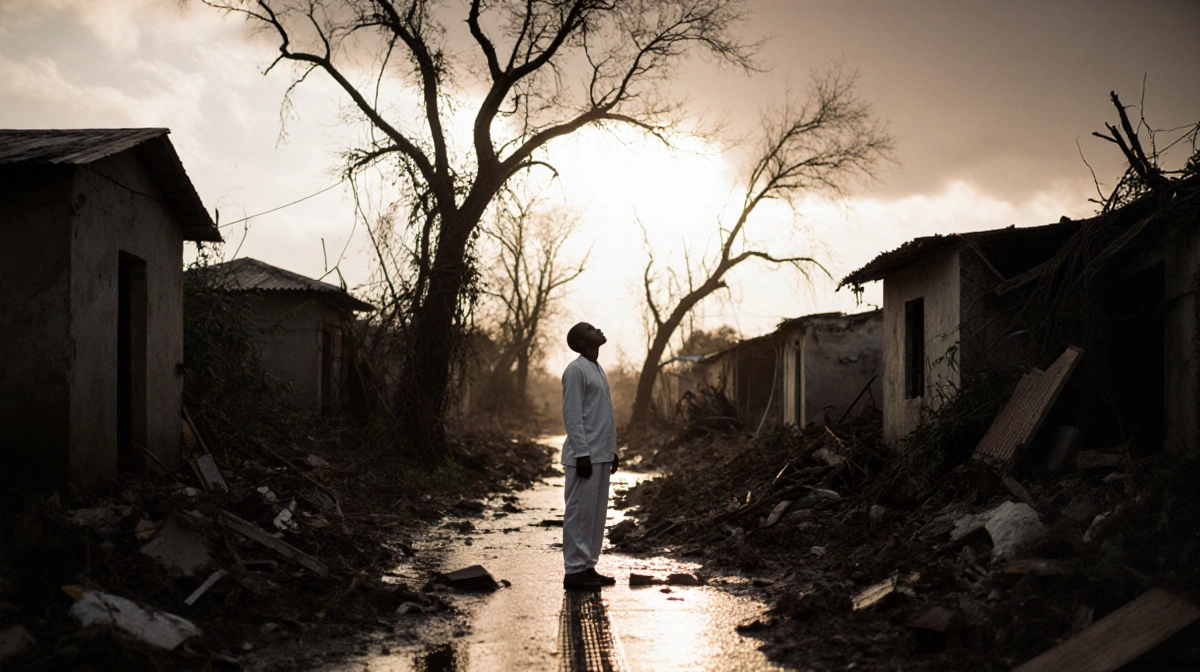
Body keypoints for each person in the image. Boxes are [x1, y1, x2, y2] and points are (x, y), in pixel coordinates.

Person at [560, 321, 621, 590]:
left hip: (601, 455)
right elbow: (572, 415)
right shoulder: (575, 370)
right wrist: (582, 453)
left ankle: (588, 567)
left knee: (596, 514)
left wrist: (612, 451)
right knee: (578, 513)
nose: (597, 329)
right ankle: (573, 572)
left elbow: (601, 415)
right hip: (583, 457)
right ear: (582, 343)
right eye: (590, 329)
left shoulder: (597, 368)